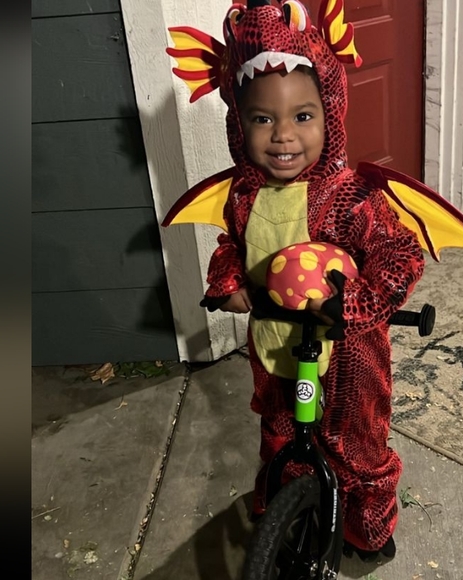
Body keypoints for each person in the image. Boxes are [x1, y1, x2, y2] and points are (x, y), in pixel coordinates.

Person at [165, 1, 426, 562]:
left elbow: (398, 253)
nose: (283, 136)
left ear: (331, 113)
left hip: (347, 354)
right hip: (276, 345)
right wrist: (228, 280)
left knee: (355, 444)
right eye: (262, 119)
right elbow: (232, 246)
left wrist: (357, 303)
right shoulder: (243, 196)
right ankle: (287, 502)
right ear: (239, 123)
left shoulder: (349, 196)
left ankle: (366, 527)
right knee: (282, 431)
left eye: (303, 116)